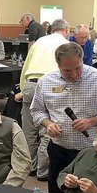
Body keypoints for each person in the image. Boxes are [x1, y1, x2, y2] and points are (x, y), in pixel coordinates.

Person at [31, 42, 97, 193]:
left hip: (92, 152)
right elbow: (36, 110)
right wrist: (48, 124)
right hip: (59, 150)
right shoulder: (46, 81)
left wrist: (92, 121)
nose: (74, 75)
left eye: (78, 68)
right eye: (67, 70)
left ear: (83, 60)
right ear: (58, 65)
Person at [17, 18, 71, 182]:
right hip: (52, 86)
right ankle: (42, 172)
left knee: (29, 131)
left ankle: (30, 167)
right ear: (66, 30)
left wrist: (21, 89)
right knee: (48, 130)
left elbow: (25, 66)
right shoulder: (65, 45)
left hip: (30, 85)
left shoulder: (39, 41)